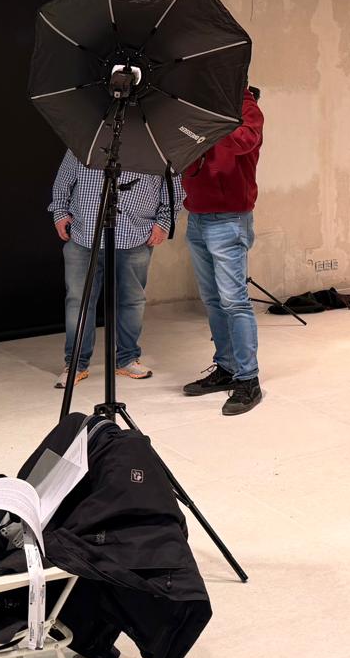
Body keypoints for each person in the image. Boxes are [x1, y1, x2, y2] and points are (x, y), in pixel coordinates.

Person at [48, 151, 182, 386]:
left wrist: (163, 222)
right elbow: (63, 179)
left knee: (132, 300)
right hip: (84, 234)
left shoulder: (157, 146)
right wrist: (60, 212)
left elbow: (174, 189)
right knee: (79, 302)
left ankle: (127, 359)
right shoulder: (87, 142)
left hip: (135, 235)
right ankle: (76, 364)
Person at [179, 86, 265, 416]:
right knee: (213, 300)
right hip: (197, 216)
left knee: (234, 300)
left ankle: (248, 379)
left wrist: (204, 126)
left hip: (229, 218)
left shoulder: (244, 106)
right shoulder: (197, 106)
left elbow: (245, 141)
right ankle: (227, 367)